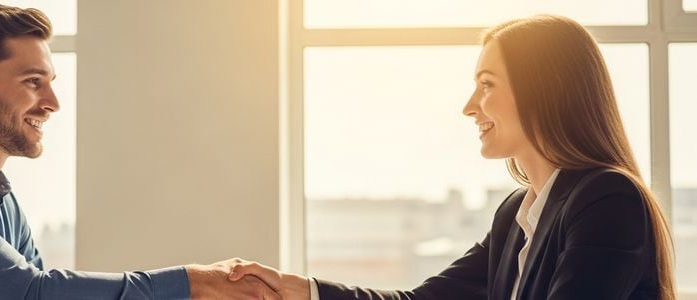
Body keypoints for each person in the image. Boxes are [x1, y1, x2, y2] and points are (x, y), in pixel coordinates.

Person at [0, 2, 279, 299]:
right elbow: (29, 294)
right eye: (33, 82)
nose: (53, 102)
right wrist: (191, 285)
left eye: (51, 82)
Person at [228, 15, 676, 300]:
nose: (469, 106)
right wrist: (301, 292)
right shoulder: (516, 214)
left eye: (486, 85)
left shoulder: (606, 198)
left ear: (543, 90)